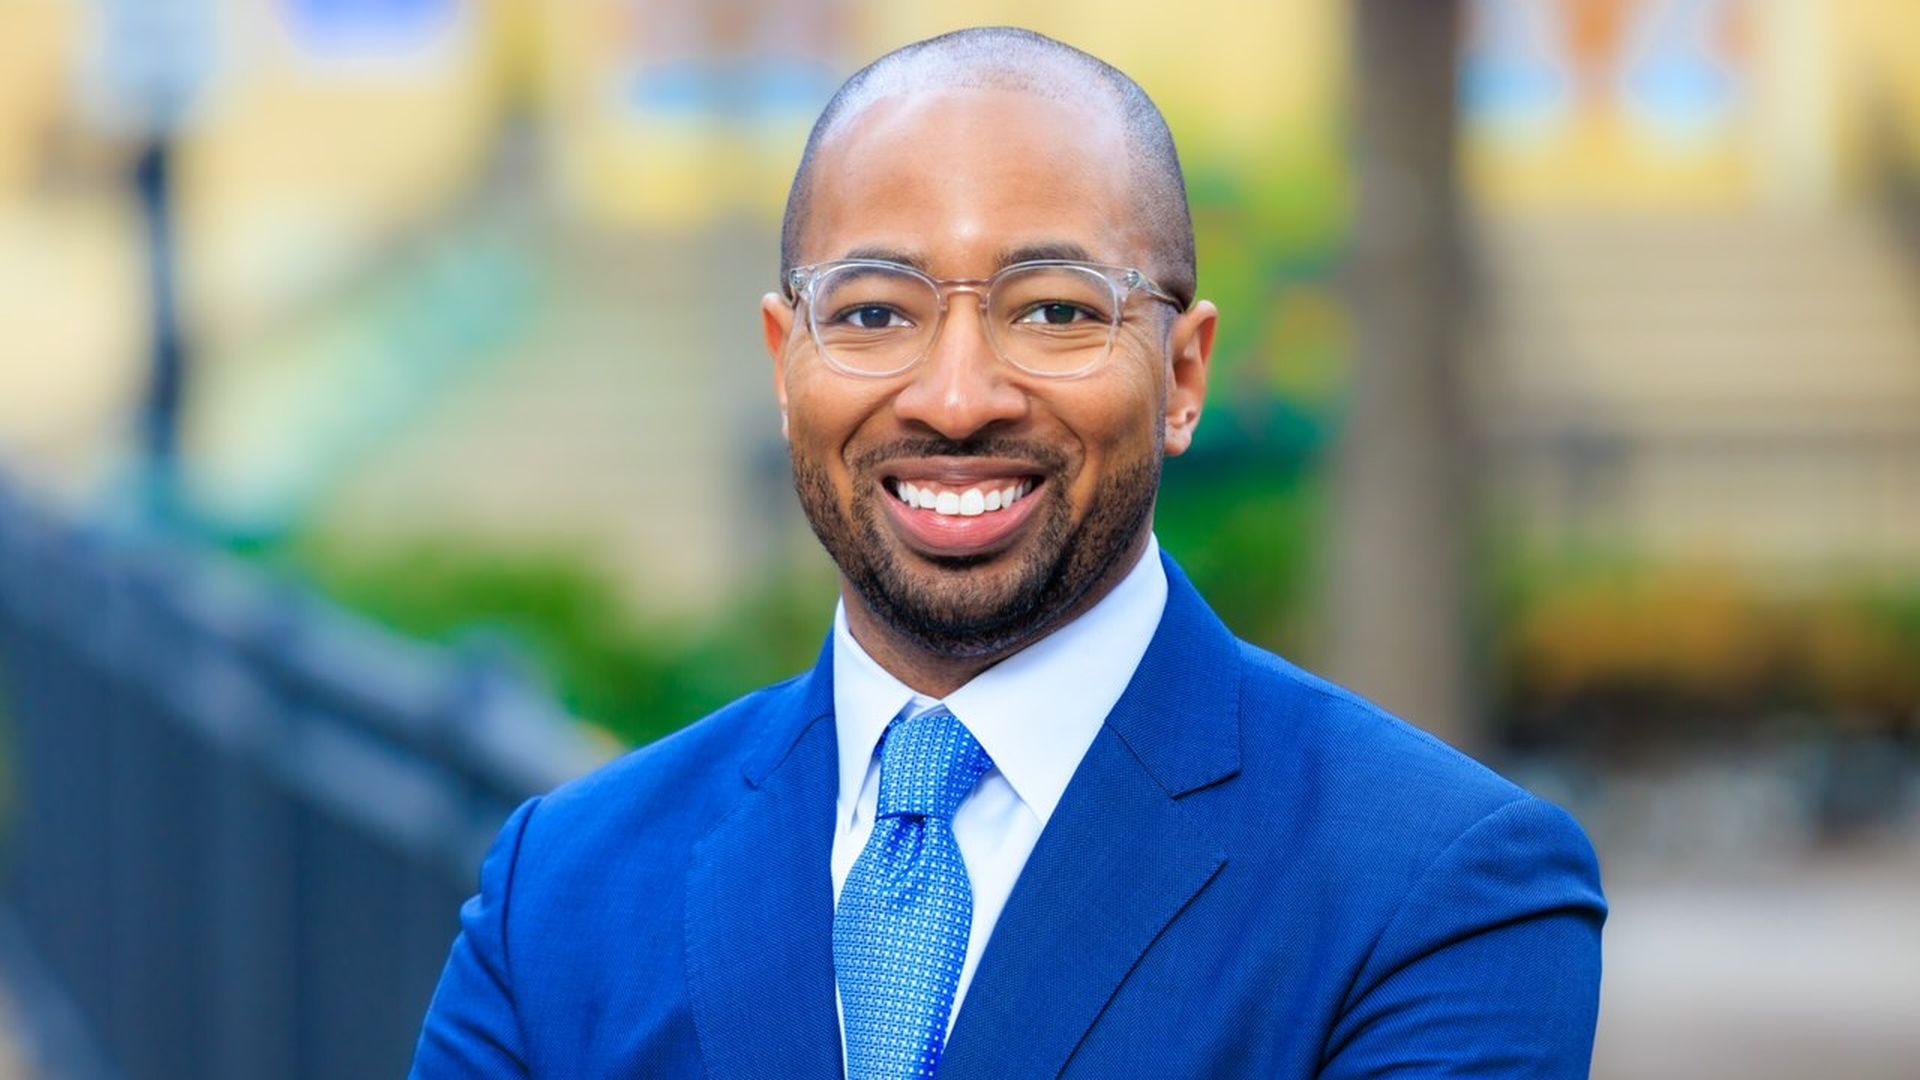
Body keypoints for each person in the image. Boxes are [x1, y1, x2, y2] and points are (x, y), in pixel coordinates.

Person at [411, 26, 1605, 1079]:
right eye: (875, 311)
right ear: (787, 364)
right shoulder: (563, 890)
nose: (958, 394)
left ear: (1184, 376)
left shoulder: (1433, 891)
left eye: (1055, 310)